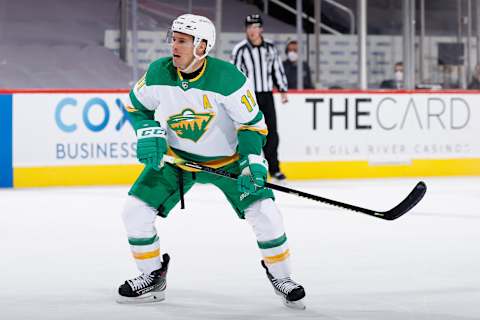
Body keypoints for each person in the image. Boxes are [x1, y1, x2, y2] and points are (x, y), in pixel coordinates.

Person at [116, 14, 306, 309]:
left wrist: (253, 162)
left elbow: (252, 125)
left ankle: (283, 277)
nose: (173, 47)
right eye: (173, 39)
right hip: (177, 162)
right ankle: (152, 276)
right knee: (134, 211)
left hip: (229, 163)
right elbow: (134, 106)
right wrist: (146, 130)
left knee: (266, 213)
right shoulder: (157, 73)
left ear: (202, 46)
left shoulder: (229, 79)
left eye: (182, 41)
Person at [232, 14, 288, 181]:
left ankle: (274, 169)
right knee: (247, 132)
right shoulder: (240, 50)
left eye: (255, 27)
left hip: (267, 95)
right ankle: (245, 167)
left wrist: (283, 89)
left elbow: (277, 69)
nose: (252, 30)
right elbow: (235, 75)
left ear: (261, 29)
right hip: (248, 98)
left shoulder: (271, 48)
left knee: (271, 132)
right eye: (249, 27)